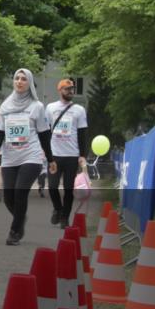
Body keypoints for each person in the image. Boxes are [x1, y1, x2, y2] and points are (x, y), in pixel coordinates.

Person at [0, 68, 50, 245]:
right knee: (8, 196)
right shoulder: (6, 106)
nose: (19, 81)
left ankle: (15, 231)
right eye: (17, 78)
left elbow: (44, 135)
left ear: (29, 83)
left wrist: (51, 158)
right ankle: (20, 218)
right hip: (10, 156)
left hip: (31, 156)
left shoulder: (37, 106)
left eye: (24, 79)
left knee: (20, 192)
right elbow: (0, 130)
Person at [45, 78, 89, 229]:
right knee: (52, 186)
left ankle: (65, 218)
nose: (70, 91)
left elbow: (82, 133)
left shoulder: (79, 110)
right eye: (67, 89)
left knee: (69, 189)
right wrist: (44, 151)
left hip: (72, 155)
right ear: (60, 90)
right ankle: (58, 208)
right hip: (54, 156)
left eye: (72, 89)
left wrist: (83, 155)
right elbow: (44, 131)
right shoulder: (50, 108)